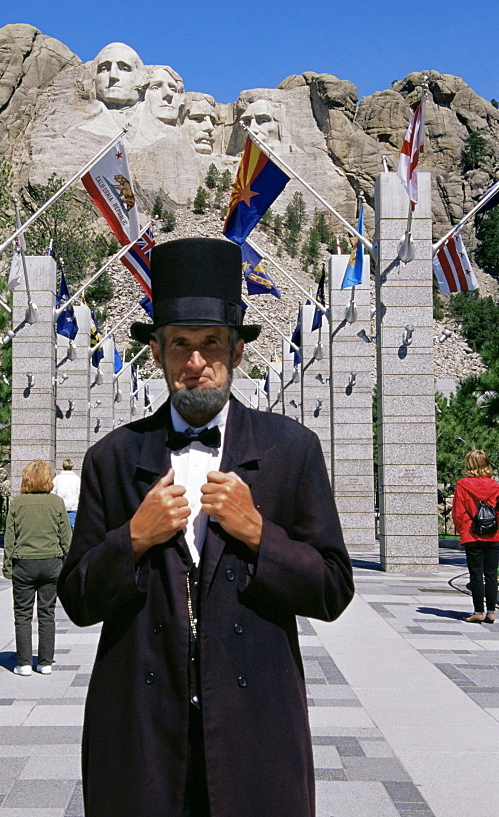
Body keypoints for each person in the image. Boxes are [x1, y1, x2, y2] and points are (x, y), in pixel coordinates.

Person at [57, 237, 354, 817]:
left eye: (211, 344)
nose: (195, 363)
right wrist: (134, 538)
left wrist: (259, 534)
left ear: (237, 351)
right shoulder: (112, 458)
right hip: (142, 739)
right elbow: (76, 598)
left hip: (254, 736)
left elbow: (333, 588)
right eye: (180, 346)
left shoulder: (291, 449)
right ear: (159, 353)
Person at [3, 459, 72, 675]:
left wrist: (8, 566)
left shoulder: (17, 503)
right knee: (47, 613)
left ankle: (23, 662)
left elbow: (10, 537)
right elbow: (65, 537)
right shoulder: (56, 503)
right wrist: (69, 563)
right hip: (52, 563)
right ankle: (45, 662)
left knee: (22, 614)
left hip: (24, 563)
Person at [452, 449, 499, 624]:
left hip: (472, 535)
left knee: (476, 574)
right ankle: (491, 611)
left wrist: (464, 530)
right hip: (494, 535)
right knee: (491, 574)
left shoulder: (463, 486)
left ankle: (478, 611)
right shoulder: (496, 486)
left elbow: (458, 513)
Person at [53, 458, 81, 529]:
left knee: (60, 529)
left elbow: (52, 492)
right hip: (73, 508)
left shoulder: (57, 478)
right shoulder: (77, 479)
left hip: (60, 508)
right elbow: (80, 494)